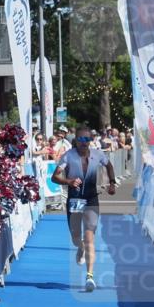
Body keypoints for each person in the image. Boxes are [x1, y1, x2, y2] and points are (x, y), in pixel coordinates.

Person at [51, 124, 116, 292]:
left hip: (92, 199)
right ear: (75, 141)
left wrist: (112, 183)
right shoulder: (68, 156)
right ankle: (79, 248)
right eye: (80, 139)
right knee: (75, 237)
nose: (84, 142)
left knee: (89, 238)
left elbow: (109, 166)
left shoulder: (98, 154)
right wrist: (69, 181)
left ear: (91, 140)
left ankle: (90, 277)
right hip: (75, 200)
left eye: (87, 139)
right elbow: (54, 177)